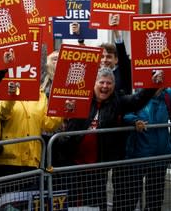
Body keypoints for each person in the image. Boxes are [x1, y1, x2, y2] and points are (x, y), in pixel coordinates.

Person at [61, 67, 159, 210]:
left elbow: (137, 100)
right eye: (102, 82)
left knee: (96, 203)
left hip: (99, 166)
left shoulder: (118, 102)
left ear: (113, 85)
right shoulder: (81, 99)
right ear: (94, 83)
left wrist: (152, 85)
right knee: (74, 203)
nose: (105, 86)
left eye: (109, 83)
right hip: (75, 165)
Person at [115, 84, 171, 211]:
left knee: (155, 200)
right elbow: (124, 112)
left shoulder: (167, 96)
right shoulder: (137, 97)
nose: (158, 84)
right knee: (129, 198)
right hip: (137, 156)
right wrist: (134, 121)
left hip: (159, 157)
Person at [0, 90, 63, 178]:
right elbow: (1, 113)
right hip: (5, 160)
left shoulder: (41, 95)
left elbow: (49, 125)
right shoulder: (6, 87)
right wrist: (11, 95)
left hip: (31, 161)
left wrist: (62, 109)